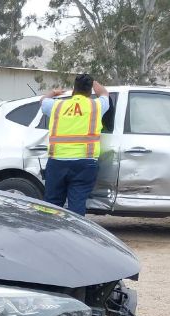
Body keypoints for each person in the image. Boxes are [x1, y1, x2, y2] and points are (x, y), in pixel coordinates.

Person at [40, 74, 109, 215]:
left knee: (52, 204)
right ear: (90, 91)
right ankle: (74, 235)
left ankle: (49, 234)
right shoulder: (96, 105)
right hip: (84, 163)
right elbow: (104, 93)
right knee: (77, 204)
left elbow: (43, 101)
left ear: (73, 90)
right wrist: (95, 83)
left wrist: (53, 93)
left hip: (57, 162)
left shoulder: (57, 105)